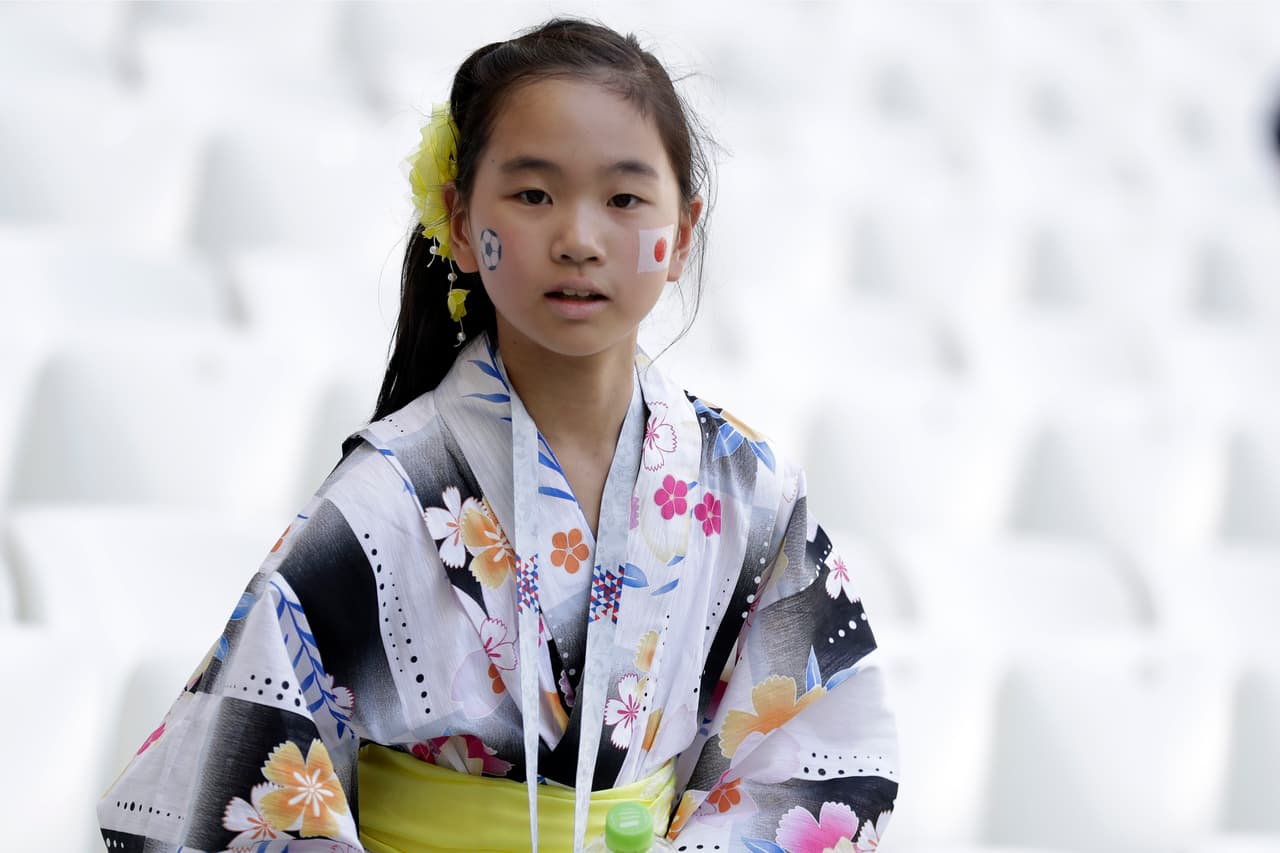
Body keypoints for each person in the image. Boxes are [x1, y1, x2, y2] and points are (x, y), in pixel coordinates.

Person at [98, 16, 899, 853]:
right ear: (459, 220)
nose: (579, 239)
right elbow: (224, 789)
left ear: (683, 234)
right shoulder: (388, 496)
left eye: (624, 198)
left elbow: (824, 757)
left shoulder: (749, 488)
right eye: (532, 194)